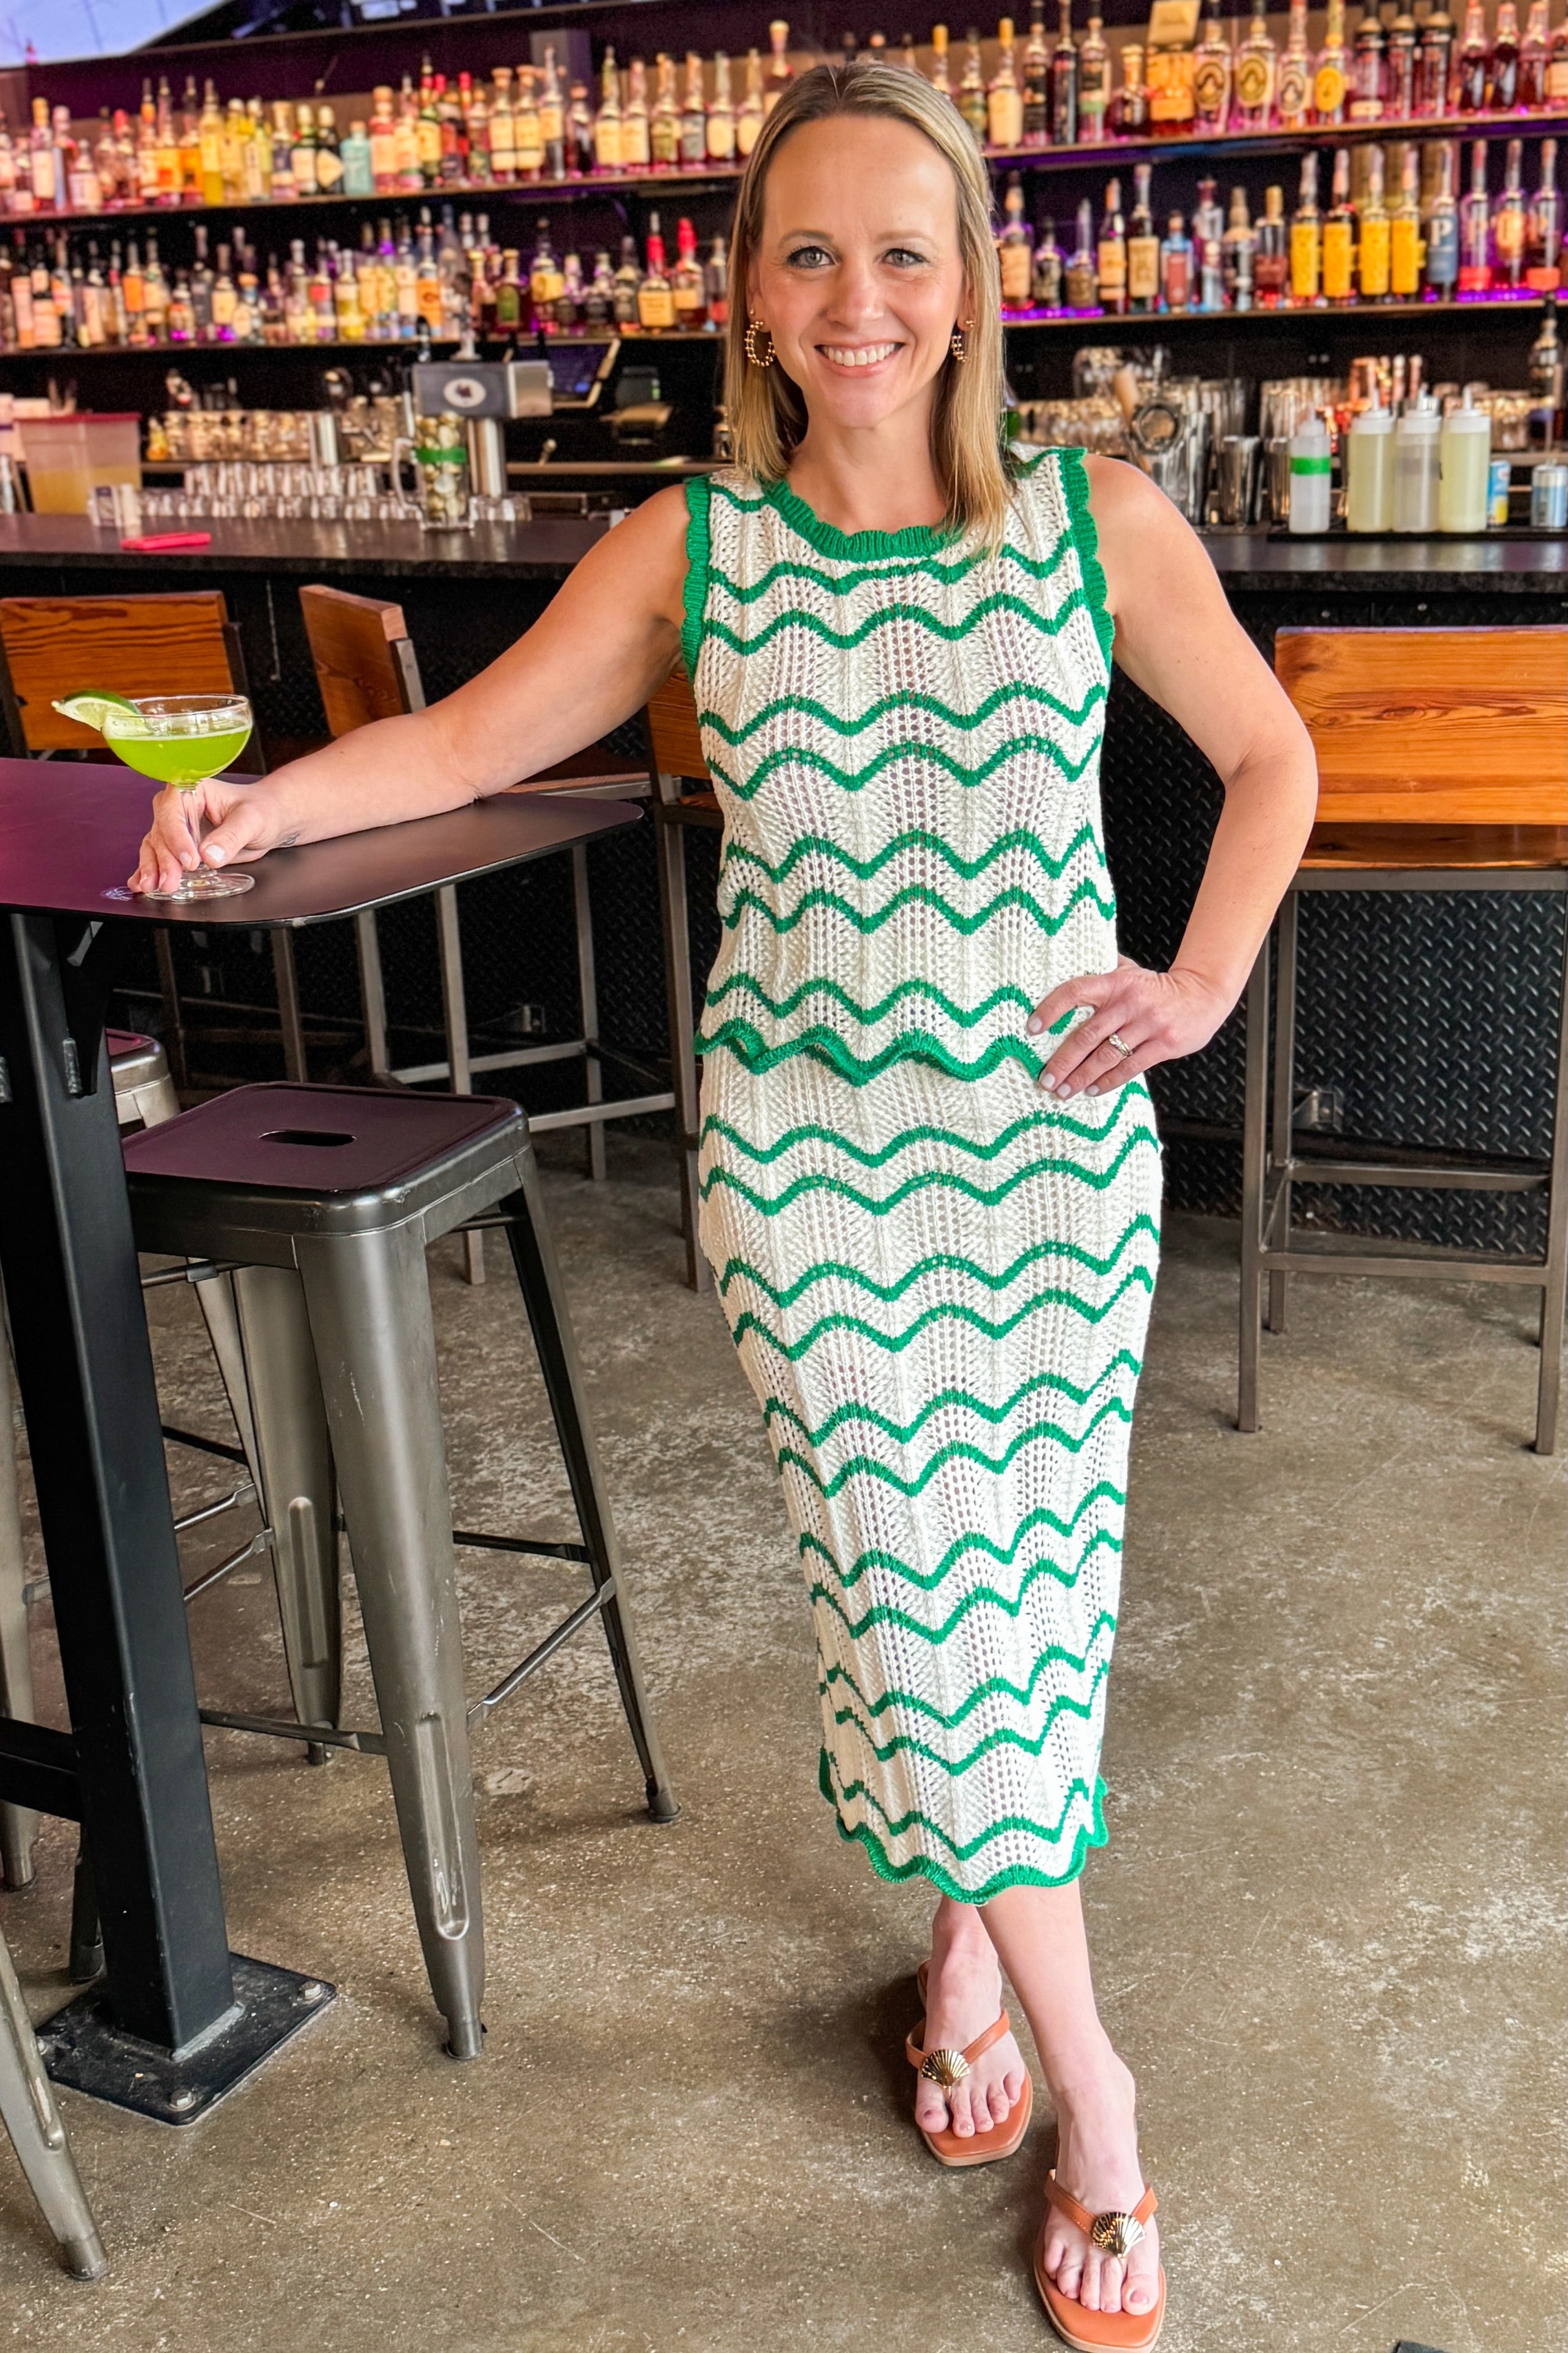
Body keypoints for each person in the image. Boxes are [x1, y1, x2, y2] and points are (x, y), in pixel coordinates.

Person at [133, 61, 1316, 2350]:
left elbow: (1269, 754)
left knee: (1017, 1601)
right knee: (928, 1592)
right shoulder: (696, 544)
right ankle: (1103, 2095)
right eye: (809, 255)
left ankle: (969, 1946)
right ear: (751, 299)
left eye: (903, 251)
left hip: (1052, 1170)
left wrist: (1200, 978)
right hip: (812, 1188)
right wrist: (259, 802)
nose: (856, 301)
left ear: (972, 282)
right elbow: (473, 741)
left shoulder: (1093, 521)